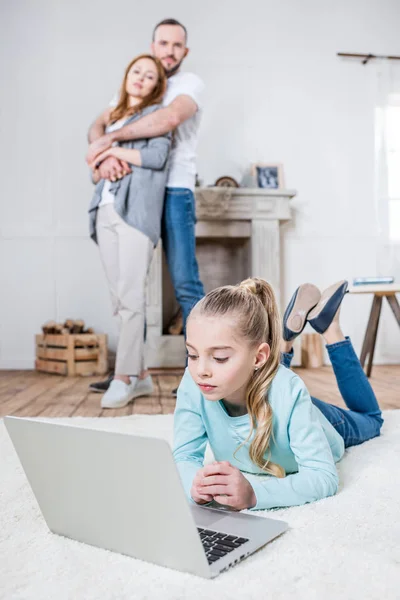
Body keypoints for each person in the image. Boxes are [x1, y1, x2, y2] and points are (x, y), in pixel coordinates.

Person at [173, 278, 383, 510]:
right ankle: (284, 342)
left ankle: (331, 328)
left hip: (316, 416)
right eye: (192, 355)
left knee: (372, 419)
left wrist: (255, 494)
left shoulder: (290, 392)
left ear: (259, 357)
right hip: (266, 388)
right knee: (271, 384)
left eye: (220, 358)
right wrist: (193, 484)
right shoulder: (194, 383)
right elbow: (184, 456)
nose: (200, 371)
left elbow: (324, 477)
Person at [87, 19, 205, 395]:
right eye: (163, 43)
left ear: (184, 51)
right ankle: (133, 369)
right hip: (134, 192)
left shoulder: (187, 85)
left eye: (176, 45)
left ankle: (196, 375)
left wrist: (111, 141)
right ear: (153, 45)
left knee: (185, 283)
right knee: (125, 291)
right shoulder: (139, 82)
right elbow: (97, 124)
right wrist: (101, 157)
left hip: (176, 189)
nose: (169, 50)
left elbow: (168, 119)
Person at [88, 54, 170, 409]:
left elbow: (157, 157)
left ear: (156, 86)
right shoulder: (112, 117)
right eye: (136, 71)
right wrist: (105, 160)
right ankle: (143, 376)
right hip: (104, 208)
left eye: (149, 76)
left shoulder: (156, 119)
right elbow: (93, 169)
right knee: (119, 299)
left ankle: (122, 377)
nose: (140, 78)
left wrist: (114, 148)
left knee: (132, 296)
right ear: (126, 76)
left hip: (136, 213)